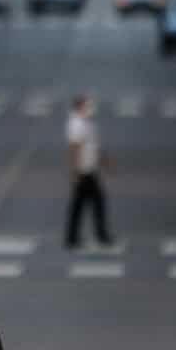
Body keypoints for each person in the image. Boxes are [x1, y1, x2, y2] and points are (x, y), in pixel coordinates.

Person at [64, 94, 115, 250]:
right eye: (88, 106)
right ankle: (99, 236)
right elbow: (75, 148)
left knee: (81, 204)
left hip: (89, 170)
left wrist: (105, 162)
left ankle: (73, 237)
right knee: (94, 202)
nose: (91, 109)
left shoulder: (86, 123)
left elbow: (93, 147)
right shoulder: (76, 123)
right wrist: (75, 171)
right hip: (84, 171)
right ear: (80, 107)